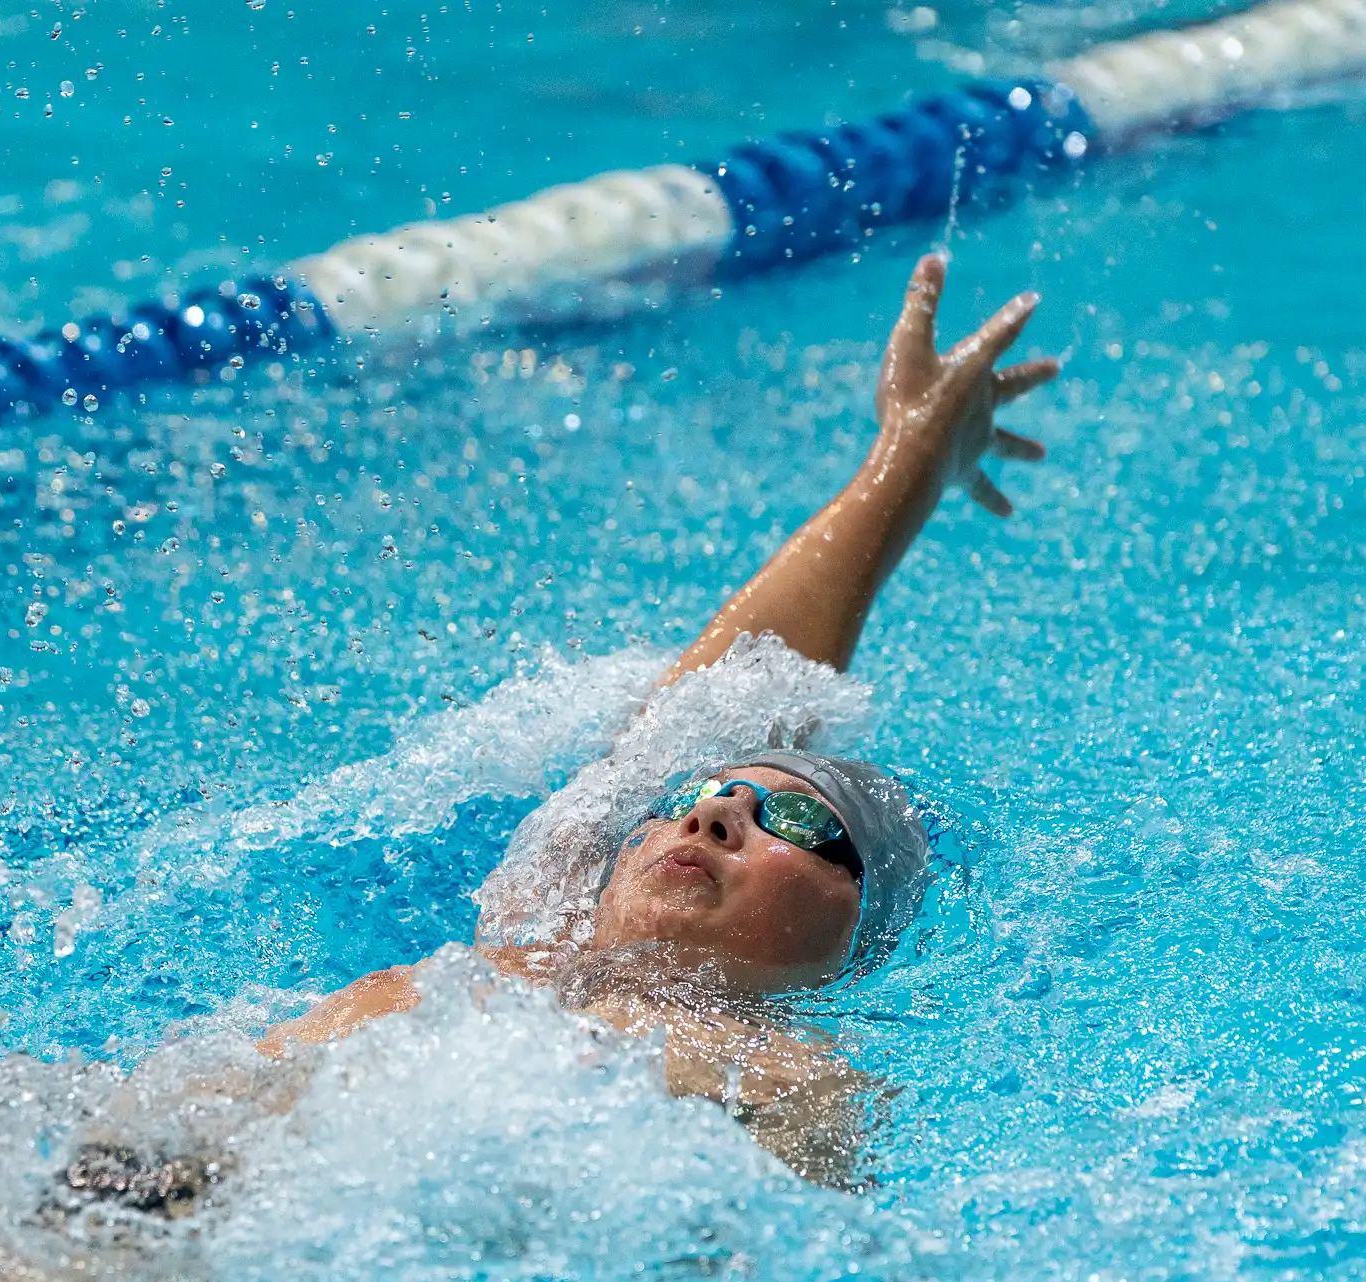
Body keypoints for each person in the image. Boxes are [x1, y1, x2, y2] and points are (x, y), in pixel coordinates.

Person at [248, 253, 1059, 1185]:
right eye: (702, 796)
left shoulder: (793, 1084)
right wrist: (904, 465)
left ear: (857, 933)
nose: (712, 816)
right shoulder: (533, 923)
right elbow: (730, 698)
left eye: (795, 822)